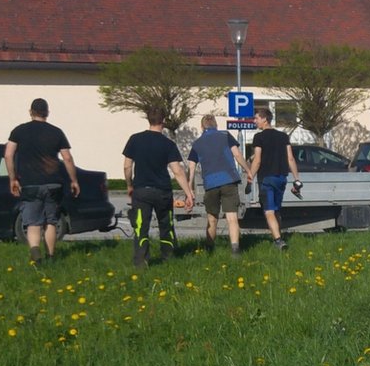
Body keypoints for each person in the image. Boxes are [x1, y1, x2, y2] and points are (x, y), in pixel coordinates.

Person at [4, 97, 80, 266]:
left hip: (30, 183)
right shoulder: (56, 132)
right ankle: (51, 256)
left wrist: (13, 179)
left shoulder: (19, 131)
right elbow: (67, 158)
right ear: (47, 113)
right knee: (51, 221)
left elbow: (8, 155)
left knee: (33, 223)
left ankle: (35, 253)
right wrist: (74, 180)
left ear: (30, 112)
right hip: (53, 184)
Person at [123, 108, 194, 267]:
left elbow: (127, 166)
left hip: (141, 190)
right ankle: (168, 257)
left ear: (148, 119)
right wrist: (188, 193)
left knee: (141, 226)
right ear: (164, 121)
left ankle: (141, 261)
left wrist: (129, 184)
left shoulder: (135, 139)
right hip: (162, 191)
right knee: (166, 224)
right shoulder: (168, 144)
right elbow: (177, 171)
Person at [188, 113, 248, 255]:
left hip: (210, 183)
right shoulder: (225, 136)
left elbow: (191, 166)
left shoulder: (197, 143)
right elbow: (237, 154)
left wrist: (189, 187)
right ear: (216, 125)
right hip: (229, 180)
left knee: (212, 218)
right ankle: (235, 250)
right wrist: (248, 170)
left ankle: (209, 249)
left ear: (202, 127)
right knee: (232, 217)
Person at [247, 108, 300, 250]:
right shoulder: (283, 136)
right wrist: (296, 179)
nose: (255, 121)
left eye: (256, 118)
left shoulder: (259, 137)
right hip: (281, 178)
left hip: (267, 178)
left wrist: (250, 177)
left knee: (269, 211)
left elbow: (257, 160)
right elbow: (290, 158)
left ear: (265, 119)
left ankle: (278, 241)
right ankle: (279, 235)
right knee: (276, 210)